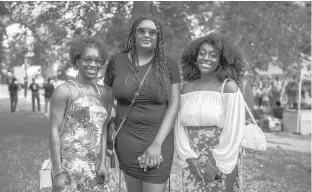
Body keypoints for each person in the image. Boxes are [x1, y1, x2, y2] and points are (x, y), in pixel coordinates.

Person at [104, 15, 181, 192]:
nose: (147, 35)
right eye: (142, 30)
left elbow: (174, 105)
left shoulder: (169, 64)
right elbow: (107, 100)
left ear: (158, 38)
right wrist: (109, 125)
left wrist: (156, 144)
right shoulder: (117, 61)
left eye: (153, 32)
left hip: (158, 140)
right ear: (133, 34)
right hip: (126, 139)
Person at [174, 32, 246, 192]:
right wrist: (189, 157)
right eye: (202, 53)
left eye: (213, 55)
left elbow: (234, 130)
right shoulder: (186, 88)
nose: (206, 58)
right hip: (192, 160)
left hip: (221, 160)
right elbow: (179, 127)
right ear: (194, 57)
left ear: (222, 61)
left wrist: (216, 163)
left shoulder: (228, 87)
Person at [49, 36, 113, 192]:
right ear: (77, 61)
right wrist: (58, 172)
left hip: (95, 169)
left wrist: (103, 163)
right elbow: (54, 132)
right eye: (88, 59)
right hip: (69, 169)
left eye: (98, 61)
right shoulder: (64, 91)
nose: (93, 64)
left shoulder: (106, 93)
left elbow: (103, 130)